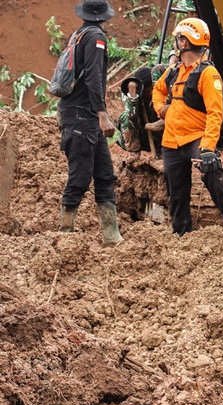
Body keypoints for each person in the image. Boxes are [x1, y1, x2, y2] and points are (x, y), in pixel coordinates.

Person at [153, 17, 223, 235]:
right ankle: (180, 231)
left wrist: (207, 148)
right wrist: (161, 109)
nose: (176, 43)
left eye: (178, 39)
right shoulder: (173, 71)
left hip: (195, 137)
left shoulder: (208, 74)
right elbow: (158, 90)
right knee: (176, 190)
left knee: (212, 171)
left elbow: (215, 114)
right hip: (171, 141)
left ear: (185, 43)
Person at [57, 0, 123, 245]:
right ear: (103, 16)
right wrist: (102, 114)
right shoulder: (96, 37)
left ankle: (111, 234)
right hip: (83, 117)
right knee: (81, 175)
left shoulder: (77, 34)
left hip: (79, 115)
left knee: (105, 174)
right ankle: (64, 233)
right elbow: (94, 79)